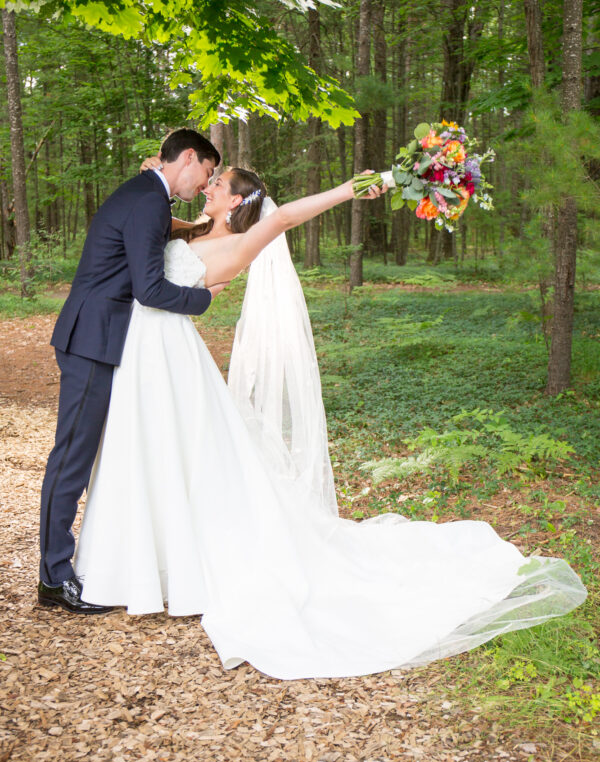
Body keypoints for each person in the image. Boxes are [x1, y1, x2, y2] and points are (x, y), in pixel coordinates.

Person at [73, 155, 586, 680]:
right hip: (143, 349)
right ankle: (147, 560)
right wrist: (149, 178)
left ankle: (178, 566)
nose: (208, 186)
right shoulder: (198, 227)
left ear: (237, 201)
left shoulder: (242, 243)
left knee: (183, 454)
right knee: (152, 451)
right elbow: (150, 219)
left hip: (170, 354)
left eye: (218, 184)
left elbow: (288, 216)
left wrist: (366, 185)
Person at [38, 129, 226, 614]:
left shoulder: (145, 194)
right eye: (206, 172)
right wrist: (202, 300)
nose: (203, 183)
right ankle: (54, 578)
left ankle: (60, 571)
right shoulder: (149, 200)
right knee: (72, 459)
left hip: (100, 335)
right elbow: (149, 289)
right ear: (189, 158)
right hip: (91, 338)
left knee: (79, 457)